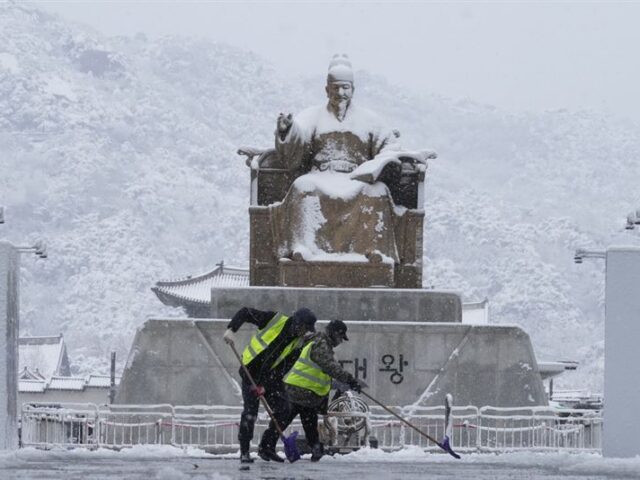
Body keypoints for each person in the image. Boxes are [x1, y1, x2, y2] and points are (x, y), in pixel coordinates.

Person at [269, 54, 431, 265]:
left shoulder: (370, 120)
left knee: (378, 191)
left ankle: (374, 251)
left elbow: (390, 146)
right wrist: (287, 130)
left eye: (345, 88)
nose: (340, 93)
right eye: (335, 88)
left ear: (353, 89)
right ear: (327, 90)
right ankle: (304, 248)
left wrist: (380, 163)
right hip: (321, 175)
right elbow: (298, 137)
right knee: (302, 186)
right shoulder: (313, 116)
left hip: (357, 178)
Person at [260, 319, 365, 462]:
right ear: (334, 333)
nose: (340, 341)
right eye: (340, 337)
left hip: (306, 392)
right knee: (285, 419)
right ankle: (267, 447)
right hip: (298, 389)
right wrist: (350, 380)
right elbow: (329, 366)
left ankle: (314, 449)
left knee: (306, 421)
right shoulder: (320, 344)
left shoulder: (321, 344)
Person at [223, 306, 317, 463]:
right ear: (297, 323)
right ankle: (245, 451)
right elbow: (246, 312)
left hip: (270, 378)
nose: (305, 332)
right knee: (250, 413)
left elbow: (284, 367)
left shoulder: (298, 343)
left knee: (284, 409)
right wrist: (232, 329)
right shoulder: (275, 320)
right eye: (304, 328)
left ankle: (266, 447)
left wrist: (265, 385)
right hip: (250, 372)